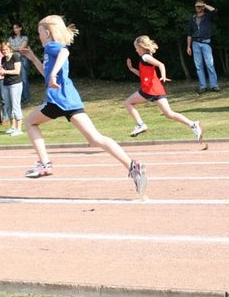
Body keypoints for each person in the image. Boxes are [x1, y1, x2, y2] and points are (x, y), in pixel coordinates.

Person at [19, 15, 147, 195]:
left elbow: (65, 52)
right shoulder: (49, 50)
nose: (38, 36)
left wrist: (54, 74)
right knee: (95, 138)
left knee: (30, 122)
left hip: (58, 99)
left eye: (39, 32)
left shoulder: (52, 46)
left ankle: (45, 164)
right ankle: (133, 165)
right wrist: (33, 59)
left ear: (47, 33)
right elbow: (47, 75)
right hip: (70, 99)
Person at [124, 35, 203, 141]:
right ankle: (193, 124)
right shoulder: (146, 57)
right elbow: (143, 75)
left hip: (150, 89)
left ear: (141, 47)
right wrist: (132, 69)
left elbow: (161, 64)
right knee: (169, 113)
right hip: (157, 89)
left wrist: (163, 76)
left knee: (128, 103)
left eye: (136, 47)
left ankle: (140, 125)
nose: (136, 50)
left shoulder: (145, 57)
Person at [186, 0, 220, 93]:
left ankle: (214, 85)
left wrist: (205, 5)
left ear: (203, 7)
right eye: (196, 6)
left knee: (210, 65)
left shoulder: (208, 16)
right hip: (195, 44)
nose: (197, 8)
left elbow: (214, 10)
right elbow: (189, 34)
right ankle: (203, 86)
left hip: (206, 43)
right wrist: (188, 46)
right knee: (199, 66)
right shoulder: (192, 19)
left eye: (199, 6)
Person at [0, 42, 24, 136]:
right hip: (6, 84)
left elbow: (17, 71)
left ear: (10, 49)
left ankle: (19, 129)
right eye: (3, 50)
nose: (4, 51)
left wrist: (5, 71)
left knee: (15, 106)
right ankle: (12, 127)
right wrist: (2, 72)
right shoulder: (3, 59)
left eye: (6, 49)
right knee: (8, 106)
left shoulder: (15, 57)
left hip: (16, 84)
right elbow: (3, 71)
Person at [8, 22, 31, 105]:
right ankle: (20, 98)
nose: (15, 29)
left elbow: (21, 48)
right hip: (14, 60)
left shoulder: (24, 37)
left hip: (23, 59)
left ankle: (26, 98)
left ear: (20, 28)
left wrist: (13, 48)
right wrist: (16, 48)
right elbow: (9, 48)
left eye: (17, 28)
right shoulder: (10, 38)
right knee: (17, 80)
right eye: (14, 28)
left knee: (24, 79)